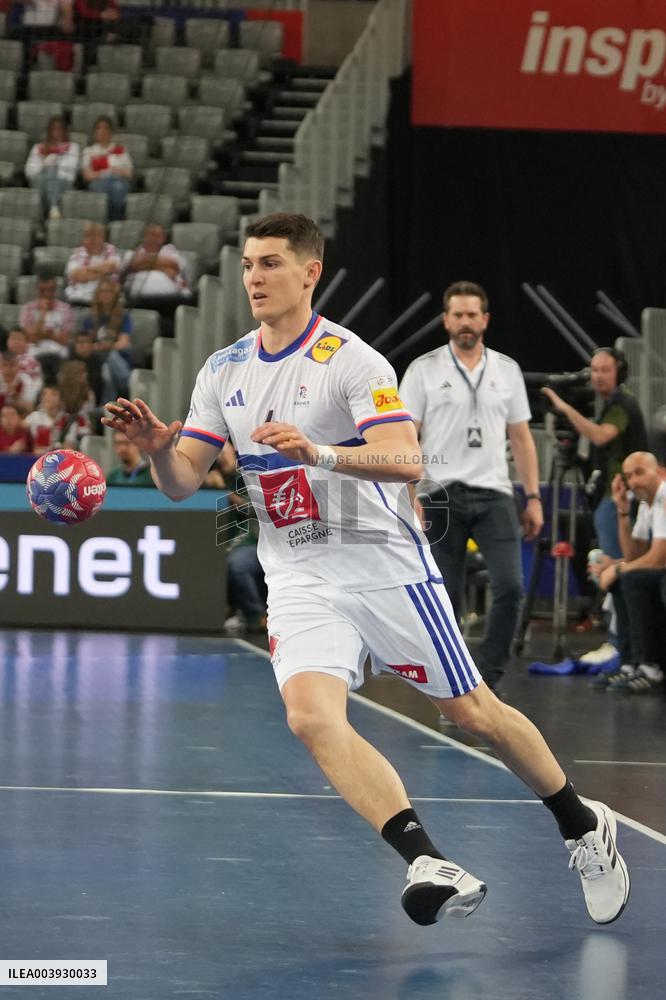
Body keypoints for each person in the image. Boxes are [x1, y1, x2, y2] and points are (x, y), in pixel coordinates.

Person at [103, 212, 629, 929]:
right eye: (249, 264)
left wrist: (317, 452)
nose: (254, 277)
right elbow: (180, 481)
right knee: (309, 717)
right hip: (298, 575)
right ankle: (426, 859)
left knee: (474, 714)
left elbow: (407, 459)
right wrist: (159, 447)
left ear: (310, 272)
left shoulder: (353, 361)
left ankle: (582, 824)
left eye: (271, 264)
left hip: (383, 566)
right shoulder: (223, 369)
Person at [399, 281, 543, 691]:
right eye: (458, 315)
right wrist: (410, 494)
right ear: (446, 320)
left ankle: (487, 681)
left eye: (472, 314)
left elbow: (521, 438)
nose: (465, 322)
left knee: (510, 586)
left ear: (485, 320)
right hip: (440, 493)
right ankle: (454, 683)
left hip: (495, 492)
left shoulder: (507, 370)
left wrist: (533, 497)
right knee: (445, 595)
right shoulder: (424, 369)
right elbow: (406, 436)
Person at [543, 348, 648, 670]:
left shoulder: (623, 405)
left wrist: (565, 409)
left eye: (605, 369)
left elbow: (601, 437)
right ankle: (619, 641)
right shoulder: (609, 405)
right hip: (609, 495)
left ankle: (621, 644)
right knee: (609, 567)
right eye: (594, 370)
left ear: (620, 372)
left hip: (620, 499)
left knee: (616, 569)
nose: (597, 376)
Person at [592, 452, 666, 693]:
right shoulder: (646, 504)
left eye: (640, 472)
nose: (634, 481)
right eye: (629, 476)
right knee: (625, 579)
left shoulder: (664, 496)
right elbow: (635, 555)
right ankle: (630, 663)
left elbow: (658, 558)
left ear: (659, 472)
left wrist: (618, 568)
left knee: (629, 577)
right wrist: (623, 511)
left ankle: (651, 667)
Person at [215, 442, 267, 634]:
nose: (221, 458)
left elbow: (255, 509)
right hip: (224, 541)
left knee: (238, 565)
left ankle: (257, 616)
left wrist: (225, 493)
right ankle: (227, 610)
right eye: (217, 455)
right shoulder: (214, 478)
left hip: (255, 542)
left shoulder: (249, 476)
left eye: (224, 453)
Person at [20, 269, 75, 373]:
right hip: (35, 352)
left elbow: (65, 339)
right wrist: (43, 313)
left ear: (55, 289)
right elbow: (31, 338)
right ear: (37, 289)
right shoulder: (28, 309)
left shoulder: (65, 309)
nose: (47, 294)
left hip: (59, 353)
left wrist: (42, 334)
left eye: (50, 290)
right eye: (43, 290)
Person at [25, 116, 79, 220]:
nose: (56, 132)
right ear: (48, 131)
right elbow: (29, 171)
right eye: (53, 129)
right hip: (39, 183)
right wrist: (45, 164)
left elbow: (72, 168)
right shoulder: (38, 148)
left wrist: (53, 160)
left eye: (59, 128)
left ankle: (44, 217)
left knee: (51, 173)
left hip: (64, 183)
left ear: (65, 131)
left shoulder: (73, 147)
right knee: (47, 175)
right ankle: (53, 207)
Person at [122, 223, 192, 303]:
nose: (153, 239)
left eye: (157, 235)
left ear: (164, 238)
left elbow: (174, 264)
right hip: (135, 299)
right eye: (150, 235)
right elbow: (134, 264)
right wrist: (164, 269)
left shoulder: (172, 252)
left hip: (169, 300)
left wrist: (144, 264)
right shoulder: (133, 253)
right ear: (144, 237)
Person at [81, 117, 133, 222]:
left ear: (111, 132)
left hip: (118, 180)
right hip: (99, 180)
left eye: (105, 128)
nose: (102, 131)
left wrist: (115, 170)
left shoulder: (120, 150)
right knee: (103, 187)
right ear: (95, 132)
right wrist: (103, 173)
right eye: (99, 128)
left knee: (117, 187)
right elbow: (87, 176)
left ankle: (112, 220)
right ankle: (110, 221)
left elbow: (130, 174)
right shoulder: (89, 151)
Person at [65, 222, 121, 306]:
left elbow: (112, 266)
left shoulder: (111, 250)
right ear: (83, 239)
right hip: (77, 300)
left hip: (104, 303)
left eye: (97, 236)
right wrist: (102, 272)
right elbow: (78, 276)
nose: (93, 240)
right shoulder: (77, 253)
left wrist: (87, 270)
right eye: (89, 236)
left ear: (103, 238)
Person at [55, 359, 92, 446]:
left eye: (85, 372)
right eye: (81, 373)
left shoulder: (88, 393)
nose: (85, 375)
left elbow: (87, 414)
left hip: (81, 425)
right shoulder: (60, 391)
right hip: (61, 423)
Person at [24, 384, 65, 454]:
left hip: (60, 456)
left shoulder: (67, 419)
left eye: (53, 394)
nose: (48, 397)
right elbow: (19, 428)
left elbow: (70, 446)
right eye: (44, 394)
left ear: (61, 399)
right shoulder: (34, 416)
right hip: (37, 456)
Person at [0, 351, 38, 415]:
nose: (8, 369)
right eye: (4, 365)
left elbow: (30, 408)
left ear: (18, 366)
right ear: (0, 367)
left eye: (12, 365)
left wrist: (14, 396)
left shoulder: (26, 380)